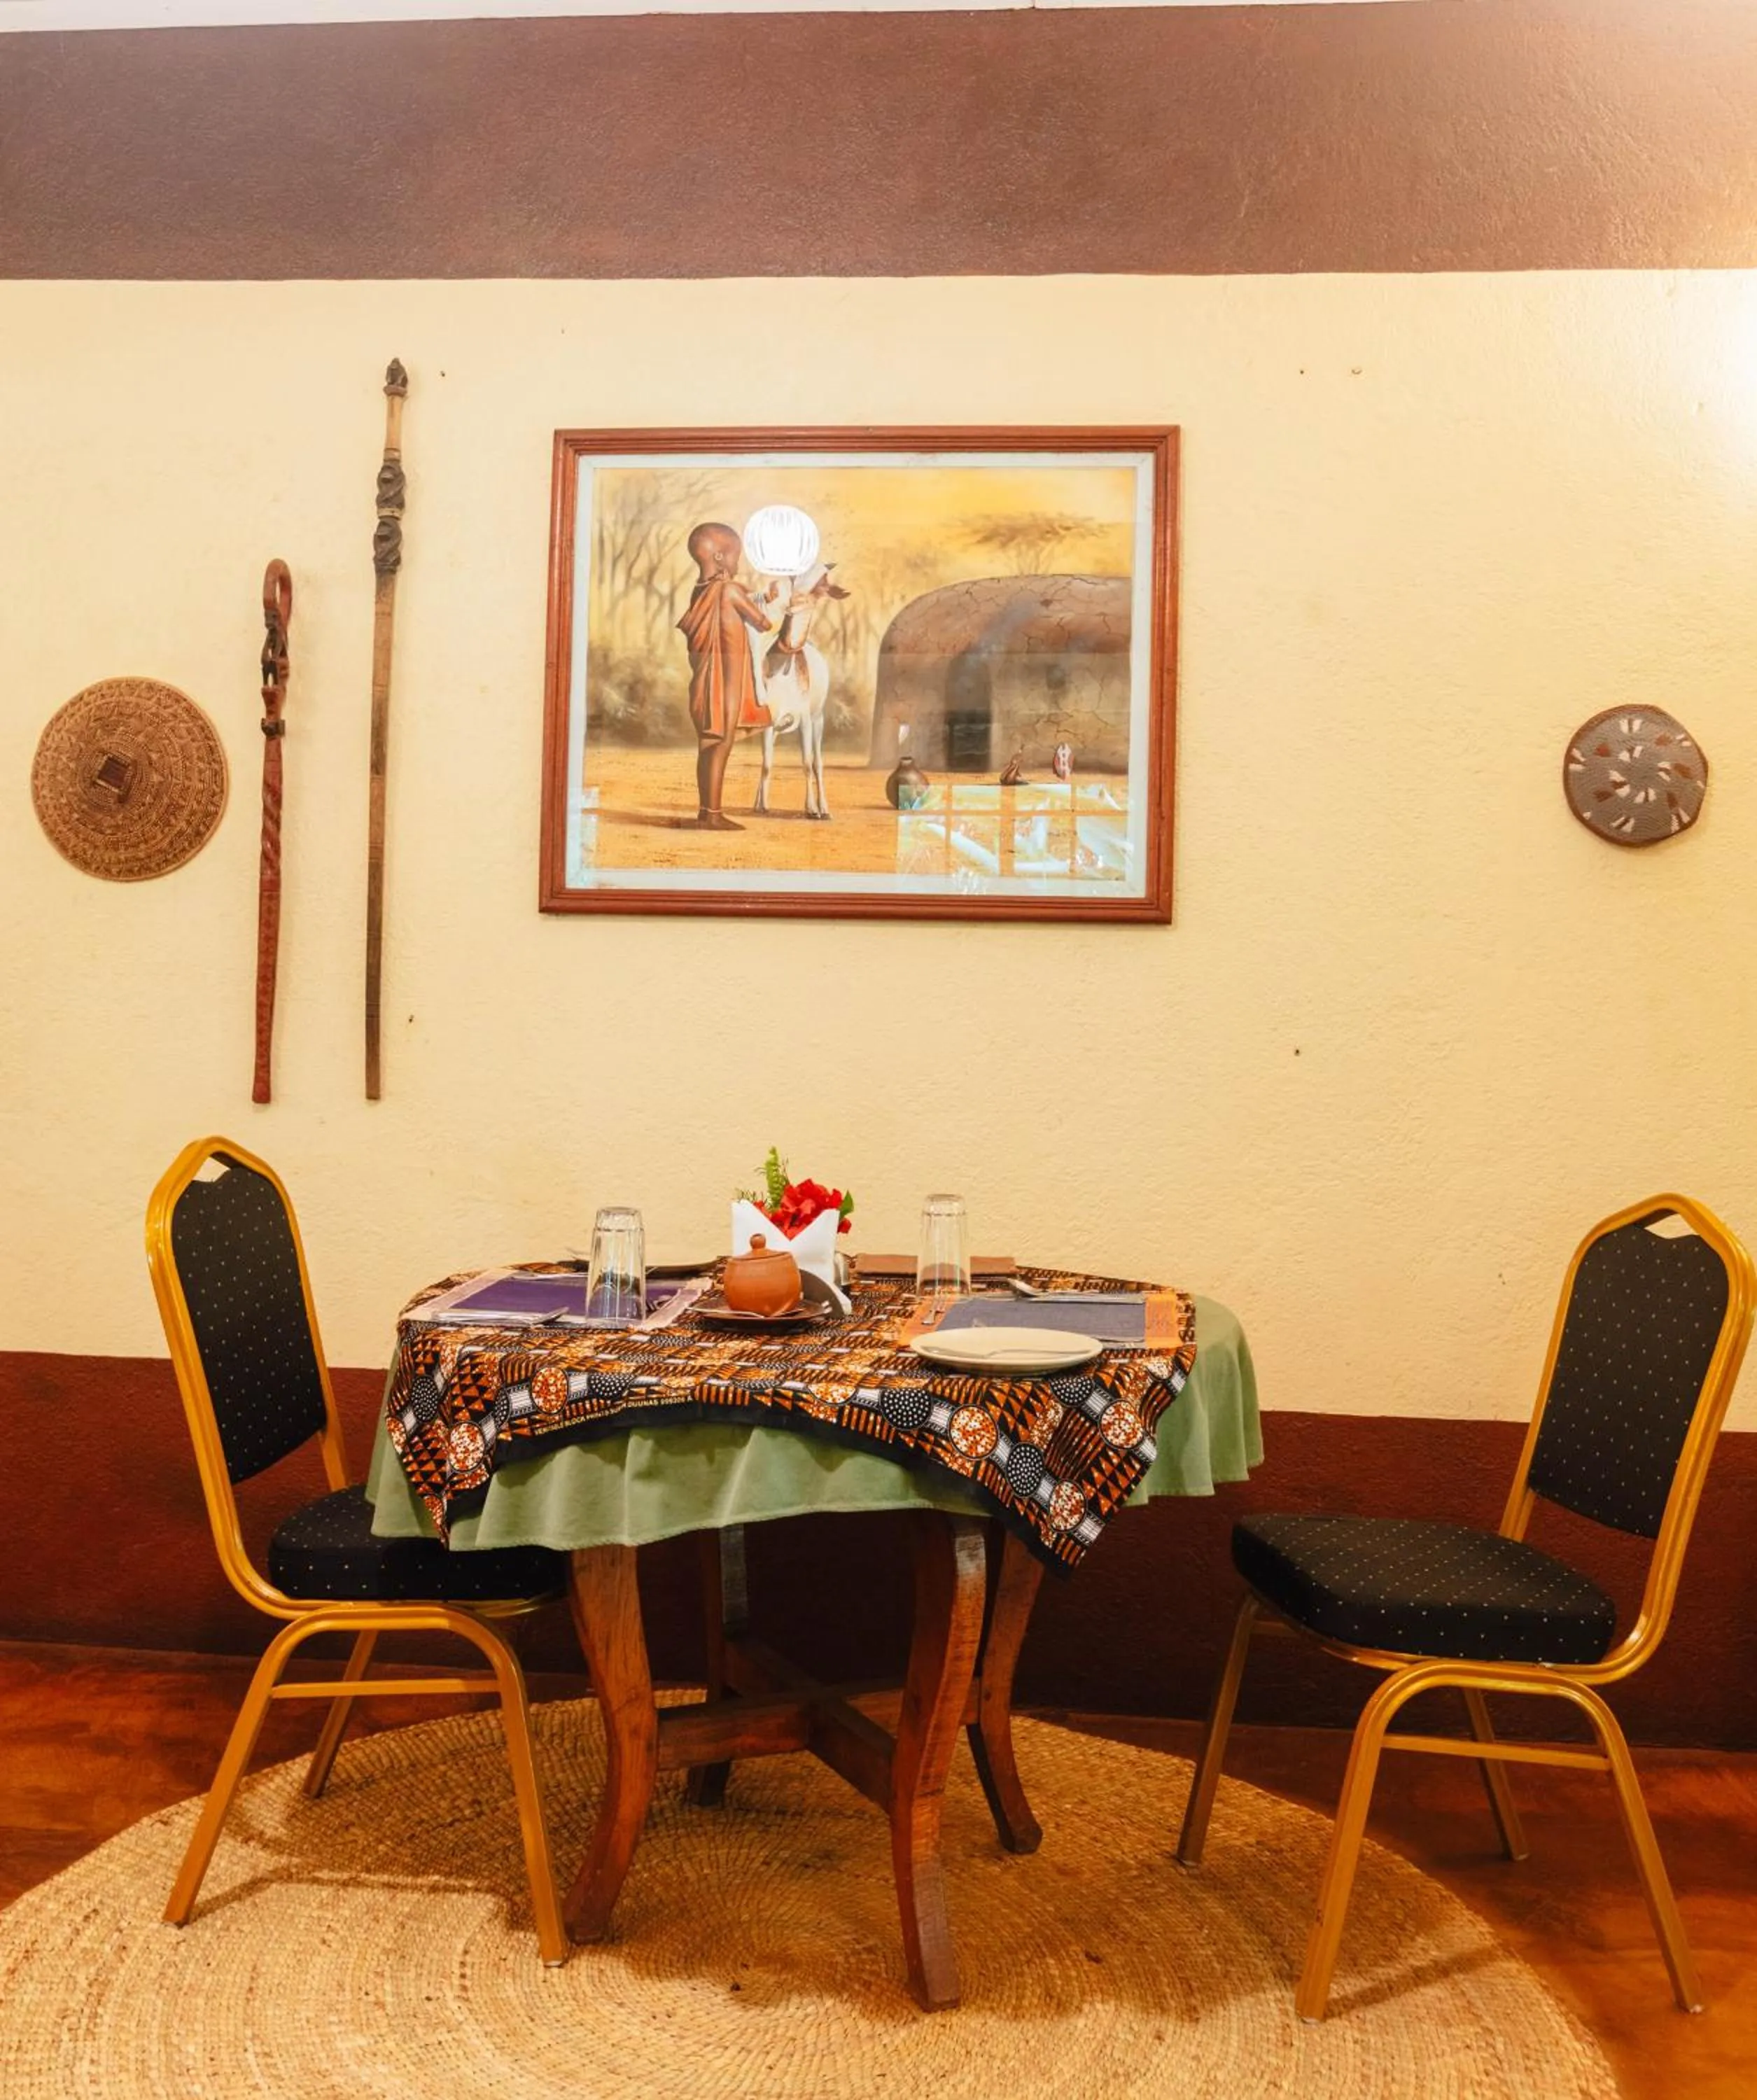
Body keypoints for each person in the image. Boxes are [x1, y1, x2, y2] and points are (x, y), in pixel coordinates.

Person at [676, 522, 772, 830]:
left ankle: (707, 811)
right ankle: (713, 815)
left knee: (708, 745)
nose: (738, 563)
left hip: (704, 683)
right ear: (719, 557)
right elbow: (762, 622)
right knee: (722, 742)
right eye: (734, 556)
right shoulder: (729, 590)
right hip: (724, 681)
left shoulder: (699, 592)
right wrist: (765, 608)